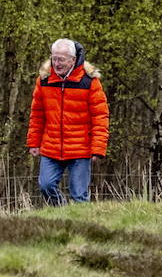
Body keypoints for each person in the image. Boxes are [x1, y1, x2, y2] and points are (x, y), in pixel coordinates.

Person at [26, 38, 109, 205]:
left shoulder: (89, 81)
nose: (57, 63)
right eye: (54, 58)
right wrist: (33, 142)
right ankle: (62, 213)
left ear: (73, 59)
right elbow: (37, 114)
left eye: (61, 59)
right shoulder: (44, 79)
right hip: (51, 146)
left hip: (81, 148)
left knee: (79, 196)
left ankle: (81, 226)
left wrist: (98, 148)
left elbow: (100, 117)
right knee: (46, 185)